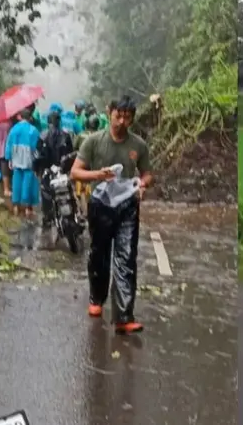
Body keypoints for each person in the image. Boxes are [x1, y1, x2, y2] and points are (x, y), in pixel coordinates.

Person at [70, 95, 153, 333]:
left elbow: (147, 173)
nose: (122, 121)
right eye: (118, 115)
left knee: (126, 258)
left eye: (127, 117)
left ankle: (124, 317)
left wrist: (142, 185)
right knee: (99, 254)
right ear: (109, 112)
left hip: (127, 206)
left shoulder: (138, 145)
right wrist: (98, 175)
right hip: (100, 204)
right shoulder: (94, 142)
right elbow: (75, 172)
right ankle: (97, 298)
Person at [35, 110, 75, 228]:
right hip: (63, 170)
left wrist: (38, 169)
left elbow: (39, 155)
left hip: (49, 171)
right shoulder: (66, 135)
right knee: (70, 191)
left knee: (46, 193)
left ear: (48, 122)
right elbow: (71, 153)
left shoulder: (43, 135)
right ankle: (76, 213)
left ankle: (48, 217)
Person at [4, 107, 41, 217]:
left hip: (16, 158)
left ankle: (16, 206)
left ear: (20, 117)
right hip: (28, 158)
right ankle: (27, 208)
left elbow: (8, 145)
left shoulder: (14, 129)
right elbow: (36, 148)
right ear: (30, 117)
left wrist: (9, 158)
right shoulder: (33, 130)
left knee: (16, 181)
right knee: (28, 182)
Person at [73, 114, 102, 216]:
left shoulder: (81, 135)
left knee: (80, 189)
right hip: (97, 166)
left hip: (83, 165)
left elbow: (74, 147)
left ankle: (84, 210)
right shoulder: (102, 135)